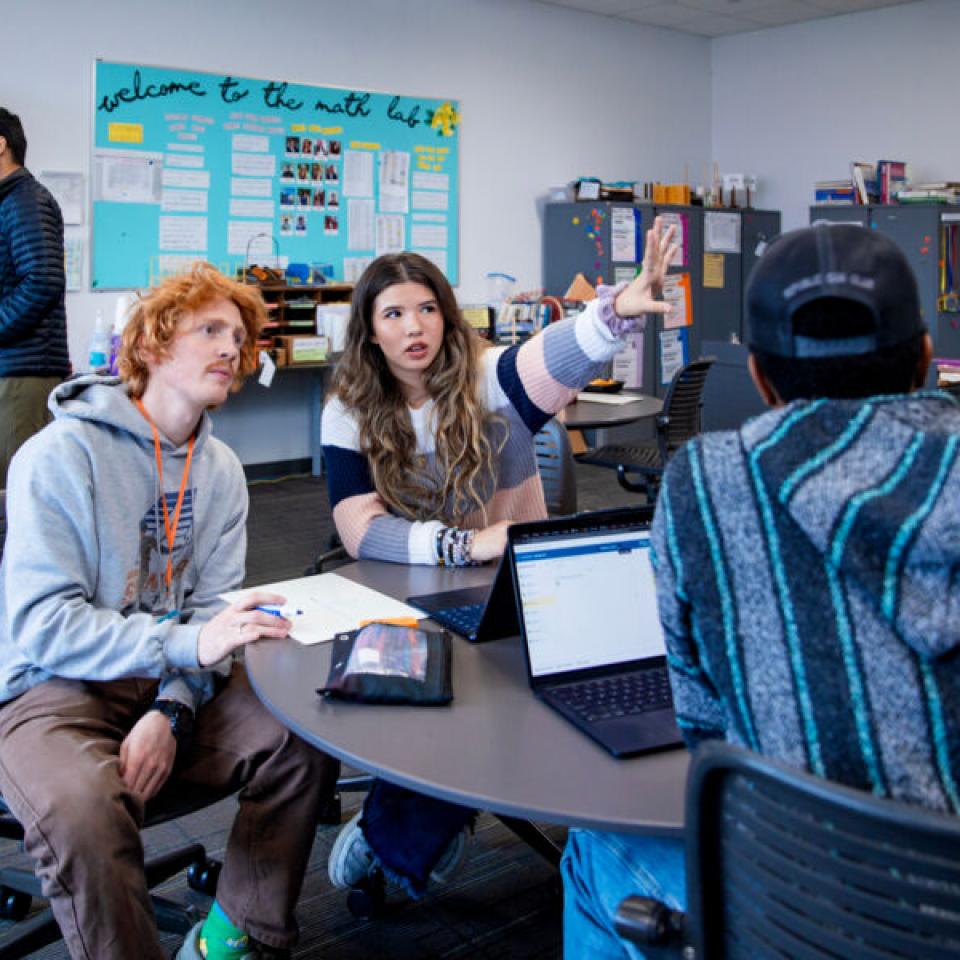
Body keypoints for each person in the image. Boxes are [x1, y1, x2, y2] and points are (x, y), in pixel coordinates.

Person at [562, 222, 960, 958]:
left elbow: (705, 726)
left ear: (760, 378)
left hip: (801, 909)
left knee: (592, 846)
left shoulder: (703, 486)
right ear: (926, 359)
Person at [320, 223, 677, 897]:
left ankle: (400, 836)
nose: (414, 327)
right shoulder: (349, 409)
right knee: (433, 699)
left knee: (523, 687)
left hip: (510, 586)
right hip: (407, 588)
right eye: (394, 314)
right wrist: (459, 543)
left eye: (428, 308)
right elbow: (359, 529)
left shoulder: (488, 380)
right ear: (369, 332)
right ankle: (413, 827)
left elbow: (554, 356)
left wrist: (611, 316)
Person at [0, 262, 340, 960]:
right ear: (152, 344)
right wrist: (185, 651)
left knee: (303, 734)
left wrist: (173, 708)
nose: (230, 348)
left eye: (238, 337)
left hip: (164, 681)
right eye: (209, 330)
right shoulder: (60, 454)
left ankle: (232, 936)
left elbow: (211, 614)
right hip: (51, 687)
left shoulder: (221, 472)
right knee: (85, 813)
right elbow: (44, 626)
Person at [0, 107, 70, 487]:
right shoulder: (9, 201)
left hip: (23, 375)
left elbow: (42, 281)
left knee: (16, 493)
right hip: (12, 368)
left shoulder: (25, 201)